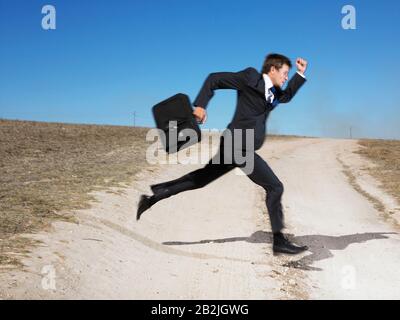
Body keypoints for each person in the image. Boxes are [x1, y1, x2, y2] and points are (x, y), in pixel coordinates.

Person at [137, 53, 309, 255]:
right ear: (272, 70)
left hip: (233, 146)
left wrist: (300, 73)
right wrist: (200, 105)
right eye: (285, 73)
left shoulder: (274, 94)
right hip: (239, 146)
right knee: (275, 187)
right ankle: (279, 241)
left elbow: (286, 96)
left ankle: (152, 198)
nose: (286, 77)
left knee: (201, 179)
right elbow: (214, 79)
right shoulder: (250, 77)